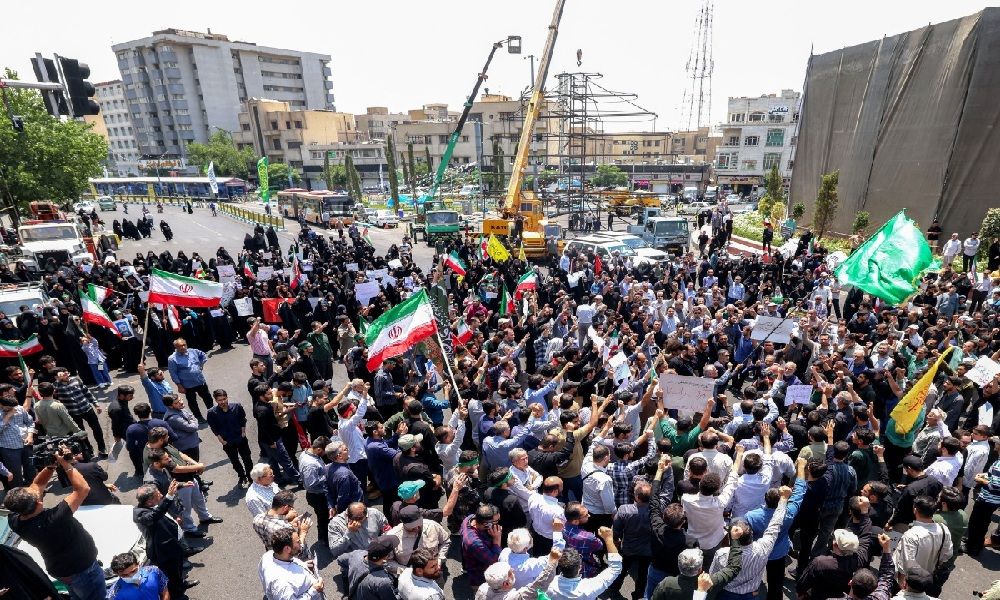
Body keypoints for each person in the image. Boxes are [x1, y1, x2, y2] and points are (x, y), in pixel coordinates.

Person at [3, 442, 103, 600]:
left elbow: (37, 484)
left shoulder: (15, 521)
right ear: (39, 503)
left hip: (60, 571)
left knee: (76, 595)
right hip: (83, 571)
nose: (34, 488)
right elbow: (83, 489)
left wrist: (51, 466)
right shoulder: (56, 518)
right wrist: (66, 464)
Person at [134, 481, 198, 600]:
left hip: (174, 544)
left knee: (178, 570)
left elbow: (162, 504)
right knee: (171, 576)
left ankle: (181, 584)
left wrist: (180, 485)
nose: (161, 495)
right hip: (164, 551)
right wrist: (169, 496)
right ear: (149, 501)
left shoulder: (152, 503)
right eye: (158, 494)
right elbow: (155, 515)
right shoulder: (140, 514)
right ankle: (177, 595)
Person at [546, 527, 622, 600]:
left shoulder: (548, 584)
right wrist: (608, 539)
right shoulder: (589, 587)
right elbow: (615, 568)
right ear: (580, 567)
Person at [53, 367, 107, 458]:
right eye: (62, 374)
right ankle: (88, 449)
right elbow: (53, 396)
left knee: (97, 429)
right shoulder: (55, 386)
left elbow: (87, 392)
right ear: (57, 377)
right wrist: (58, 380)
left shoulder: (76, 380)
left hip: (87, 408)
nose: (66, 375)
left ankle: (102, 448)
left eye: (66, 372)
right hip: (73, 413)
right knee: (80, 433)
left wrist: (96, 404)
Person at [258, 528, 324, 600]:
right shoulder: (282, 584)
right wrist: (313, 591)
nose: (300, 543)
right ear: (287, 549)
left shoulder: (268, 556)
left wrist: (303, 565)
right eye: (298, 542)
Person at [206, 388, 254, 486]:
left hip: (240, 438)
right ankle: (242, 476)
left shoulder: (237, 407)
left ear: (227, 397)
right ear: (216, 400)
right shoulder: (212, 413)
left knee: (247, 459)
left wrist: (243, 432)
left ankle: (250, 477)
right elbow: (214, 427)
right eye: (220, 400)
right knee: (234, 461)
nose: (223, 402)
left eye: (224, 399)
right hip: (227, 441)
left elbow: (242, 419)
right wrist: (221, 440)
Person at [337, 535, 398, 600]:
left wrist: (347, 575)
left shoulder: (357, 554)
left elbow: (340, 560)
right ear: (386, 557)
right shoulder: (383, 582)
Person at [167, 338, 212, 422]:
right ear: (176, 347)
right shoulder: (172, 359)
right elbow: (173, 374)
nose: (183, 347)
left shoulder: (193, 351)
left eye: (184, 345)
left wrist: (201, 365)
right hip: (187, 385)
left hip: (200, 381)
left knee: (207, 398)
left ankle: (212, 413)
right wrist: (179, 386)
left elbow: (202, 355)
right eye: (180, 346)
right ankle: (198, 417)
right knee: (192, 402)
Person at [461, 503, 504, 587]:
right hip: (480, 574)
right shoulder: (475, 543)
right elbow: (493, 560)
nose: (498, 524)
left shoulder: (470, 518)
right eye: (496, 522)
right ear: (486, 524)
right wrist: (497, 538)